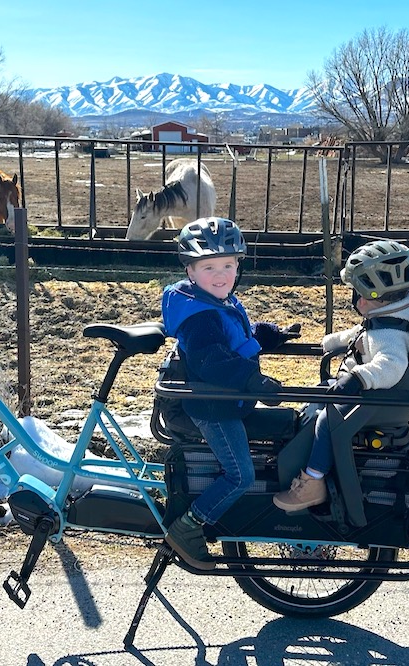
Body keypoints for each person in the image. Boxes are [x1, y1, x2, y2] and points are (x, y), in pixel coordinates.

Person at [161, 217, 299, 569]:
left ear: (238, 265)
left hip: (228, 403)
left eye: (227, 264)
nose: (220, 274)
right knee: (240, 476)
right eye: (209, 267)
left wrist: (269, 336)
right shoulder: (199, 317)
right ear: (190, 271)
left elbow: (238, 337)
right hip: (214, 410)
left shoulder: (216, 301)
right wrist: (253, 381)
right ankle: (189, 526)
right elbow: (213, 361)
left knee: (288, 425)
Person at [272, 240, 409, 512]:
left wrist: (359, 377)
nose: (356, 301)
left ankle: (313, 482)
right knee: (318, 401)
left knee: (327, 420)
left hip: (371, 398)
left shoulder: (391, 333)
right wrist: (329, 343)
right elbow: (363, 335)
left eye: (361, 295)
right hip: (367, 394)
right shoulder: (391, 314)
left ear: (379, 296)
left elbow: (391, 365)